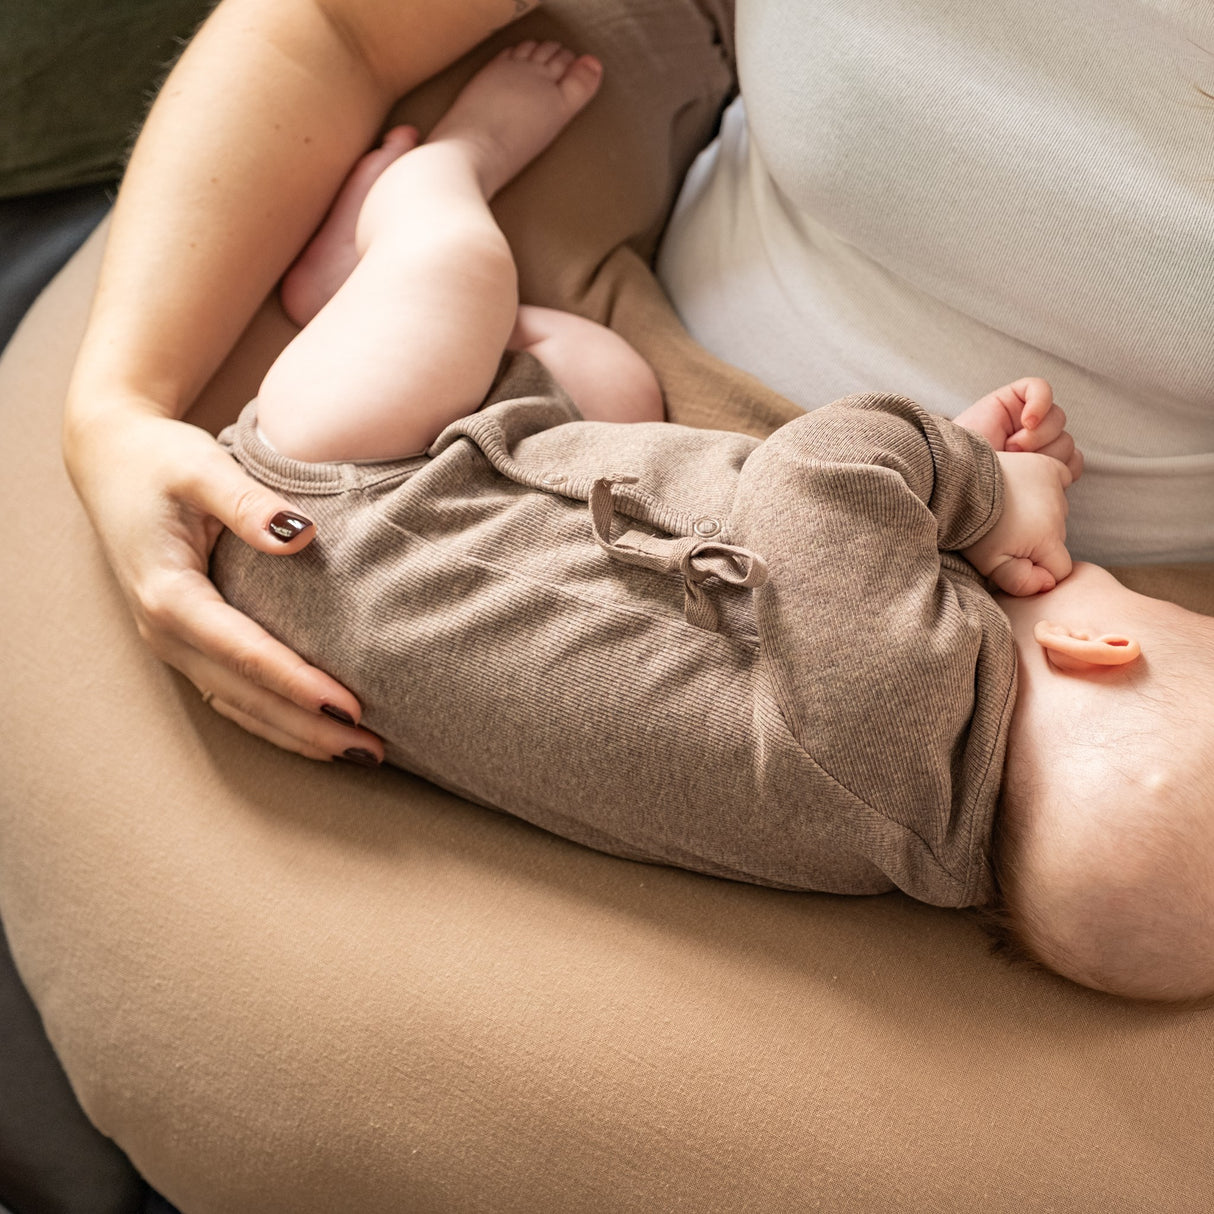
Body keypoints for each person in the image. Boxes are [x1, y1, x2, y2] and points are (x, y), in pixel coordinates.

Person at [208, 43, 1214, 1004]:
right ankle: (363, 299)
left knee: (460, 262)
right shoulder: (892, 836)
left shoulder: (901, 696)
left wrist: (982, 486)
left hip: (343, 503)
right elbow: (822, 606)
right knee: (612, 386)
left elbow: (823, 472)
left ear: (1095, 648)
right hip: (384, 605)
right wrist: (957, 518)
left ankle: (420, 195)